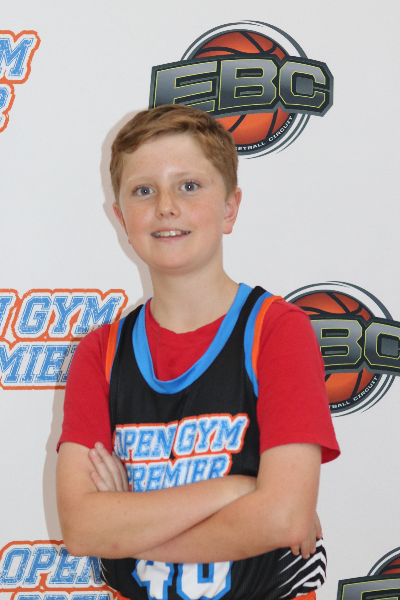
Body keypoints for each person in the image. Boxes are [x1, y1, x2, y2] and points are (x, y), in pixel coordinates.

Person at [56, 104, 340, 600]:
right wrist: (237, 489)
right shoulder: (100, 353)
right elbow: (81, 528)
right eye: (144, 190)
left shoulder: (277, 331)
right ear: (122, 218)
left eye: (189, 186)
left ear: (230, 207)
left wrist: (126, 534)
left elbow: (283, 517)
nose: (166, 206)